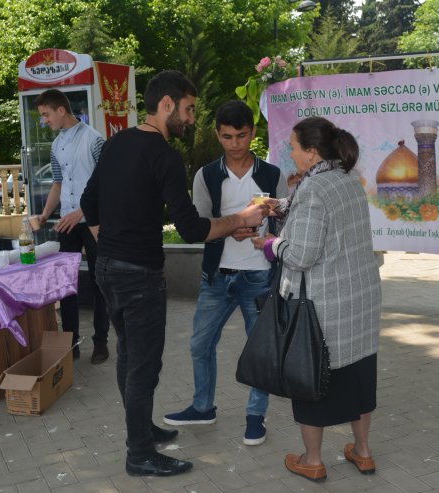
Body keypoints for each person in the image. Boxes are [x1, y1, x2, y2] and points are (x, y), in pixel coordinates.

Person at [80, 70, 267, 477]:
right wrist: (242, 218)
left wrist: (107, 244)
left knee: (129, 354)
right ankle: (140, 453)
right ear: (166, 105)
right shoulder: (163, 154)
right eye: (188, 109)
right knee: (143, 364)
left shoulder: (116, 143)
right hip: (139, 276)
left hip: (107, 269)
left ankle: (141, 430)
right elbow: (193, 229)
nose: (191, 119)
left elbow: (87, 202)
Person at [252, 117, 382, 482]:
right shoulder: (346, 181)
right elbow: (317, 219)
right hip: (359, 300)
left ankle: (312, 460)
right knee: (358, 377)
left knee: (311, 378)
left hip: (323, 306)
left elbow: (301, 255)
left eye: (293, 147)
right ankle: (363, 452)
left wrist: (269, 244)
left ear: (311, 153)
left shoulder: (312, 189)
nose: (289, 153)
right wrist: (276, 206)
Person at [162, 100, 288, 446]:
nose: (235, 144)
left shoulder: (272, 175)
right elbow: (201, 225)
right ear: (218, 135)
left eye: (242, 136)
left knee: (260, 350)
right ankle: (203, 407)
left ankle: (255, 415)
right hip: (217, 276)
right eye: (227, 136)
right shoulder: (206, 175)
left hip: (259, 276)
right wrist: (231, 229)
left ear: (253, 134)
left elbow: (287, 223)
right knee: (200, 344)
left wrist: (267, 232)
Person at [31, 89, 110, 364]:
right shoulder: (55, 146)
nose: (45, 121)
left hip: (94, 222)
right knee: (66, 286)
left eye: (46, 114)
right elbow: (57, 184)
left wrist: (82, 212)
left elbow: (106, 185)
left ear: (61, 110)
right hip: (67, 222)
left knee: (101, 284)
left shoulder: (95, 140)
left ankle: (101, 342)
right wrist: (43, 214)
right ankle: (71, 342)